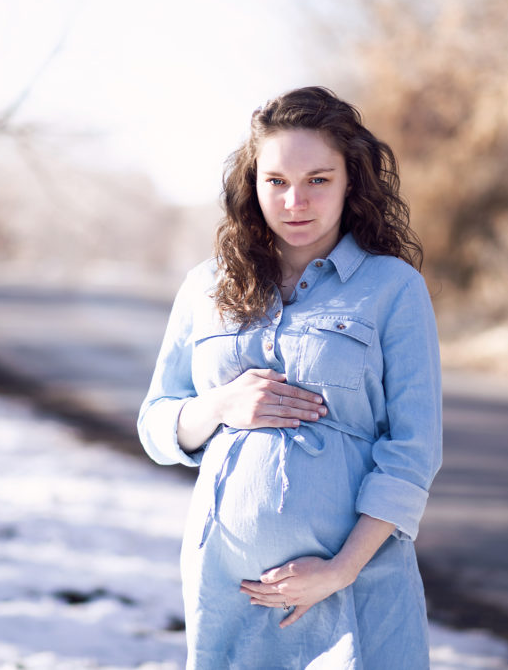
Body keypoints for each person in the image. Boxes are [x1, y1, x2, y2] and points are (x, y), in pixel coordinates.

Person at [138, 86, 442, 669]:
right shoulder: (206, 287)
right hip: (226, 592)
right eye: (276, 180)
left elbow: (413, 450)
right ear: (251, 185)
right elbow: (156, 423)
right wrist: (222, 405)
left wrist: (338, 570)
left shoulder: (393, 289)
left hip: (356, 587)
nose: (295, 200)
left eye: (318, 179)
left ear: (351, 181)